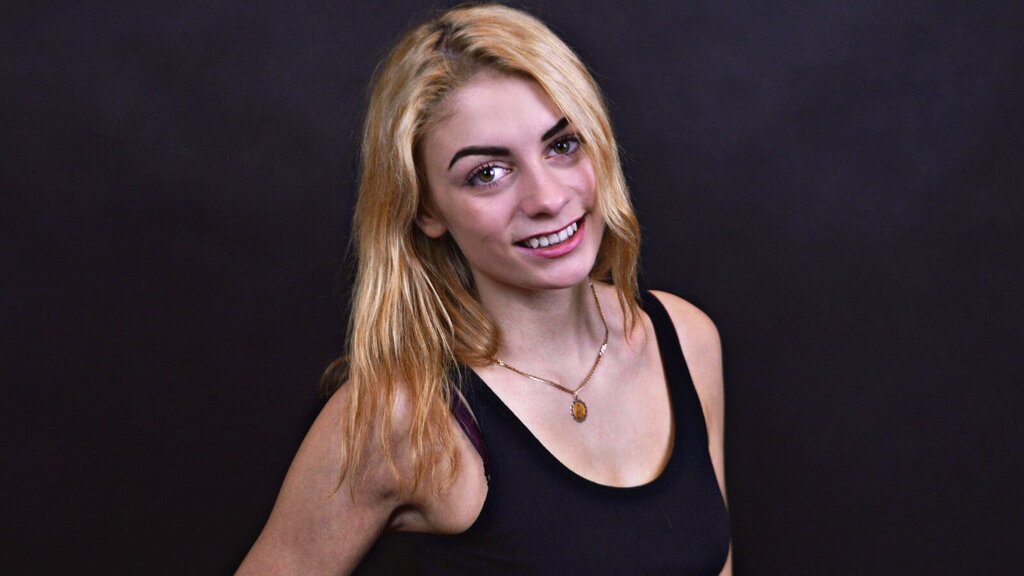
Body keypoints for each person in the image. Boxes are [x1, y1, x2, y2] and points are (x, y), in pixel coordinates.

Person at [238, 4, 732, 574]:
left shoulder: (686, 340)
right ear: (425, 209)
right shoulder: (402, 417)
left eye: (563, 144)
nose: (547, 198)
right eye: (488, 173)